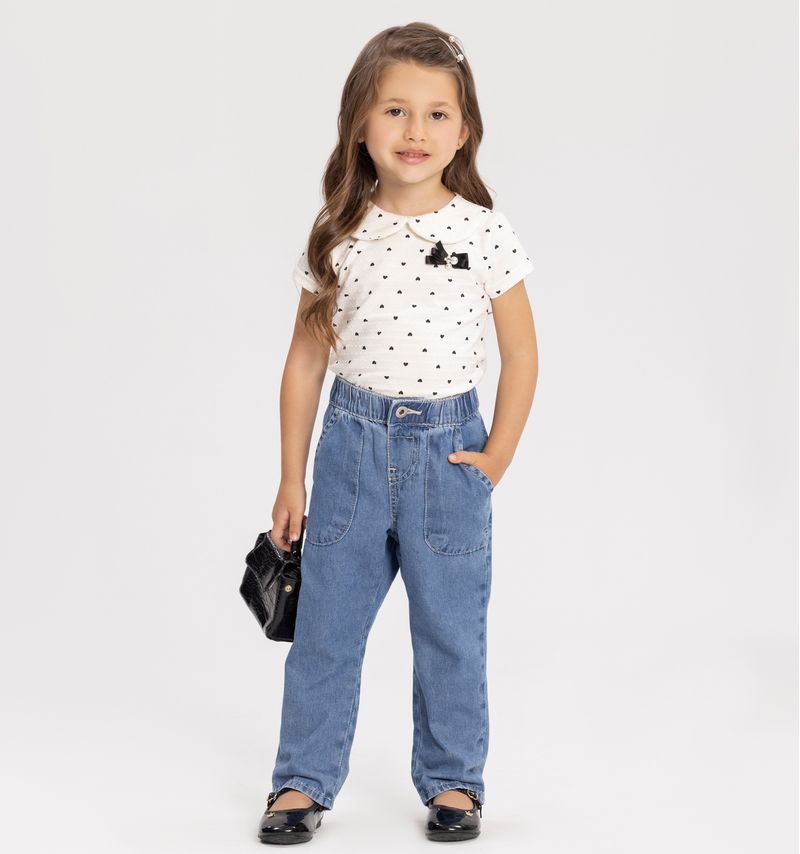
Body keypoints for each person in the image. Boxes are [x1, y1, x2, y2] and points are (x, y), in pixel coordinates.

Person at [257, 22, 539, 845]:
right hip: (350, 450)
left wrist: (495, 457)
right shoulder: (340, 232)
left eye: (437, 113)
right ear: (359, 123)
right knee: (326, 630)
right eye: (395, 110)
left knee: (450, 632)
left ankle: (453, 781)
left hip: (449, 455)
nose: (416, 130)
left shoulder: (484, 232)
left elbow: (522, 354)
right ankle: (301, 780)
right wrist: (291, 476)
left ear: (466, 129)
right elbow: (305, 361)